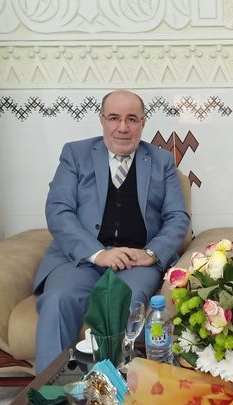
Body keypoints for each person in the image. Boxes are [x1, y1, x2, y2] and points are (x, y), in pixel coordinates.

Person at [33, 89, 190, 373]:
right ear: (102, 120)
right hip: (80, 259)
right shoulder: (75, 154)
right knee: (58, 300)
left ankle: (110, 389)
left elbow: (177, 217)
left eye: (132, 119)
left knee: (122, 303)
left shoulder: (162, 160)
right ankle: (49, 392)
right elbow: (58, 210)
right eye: (114, 118)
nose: (123, 127)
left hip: (135, 261)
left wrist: (151, 253)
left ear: (143, 122)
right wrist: (97, 253)